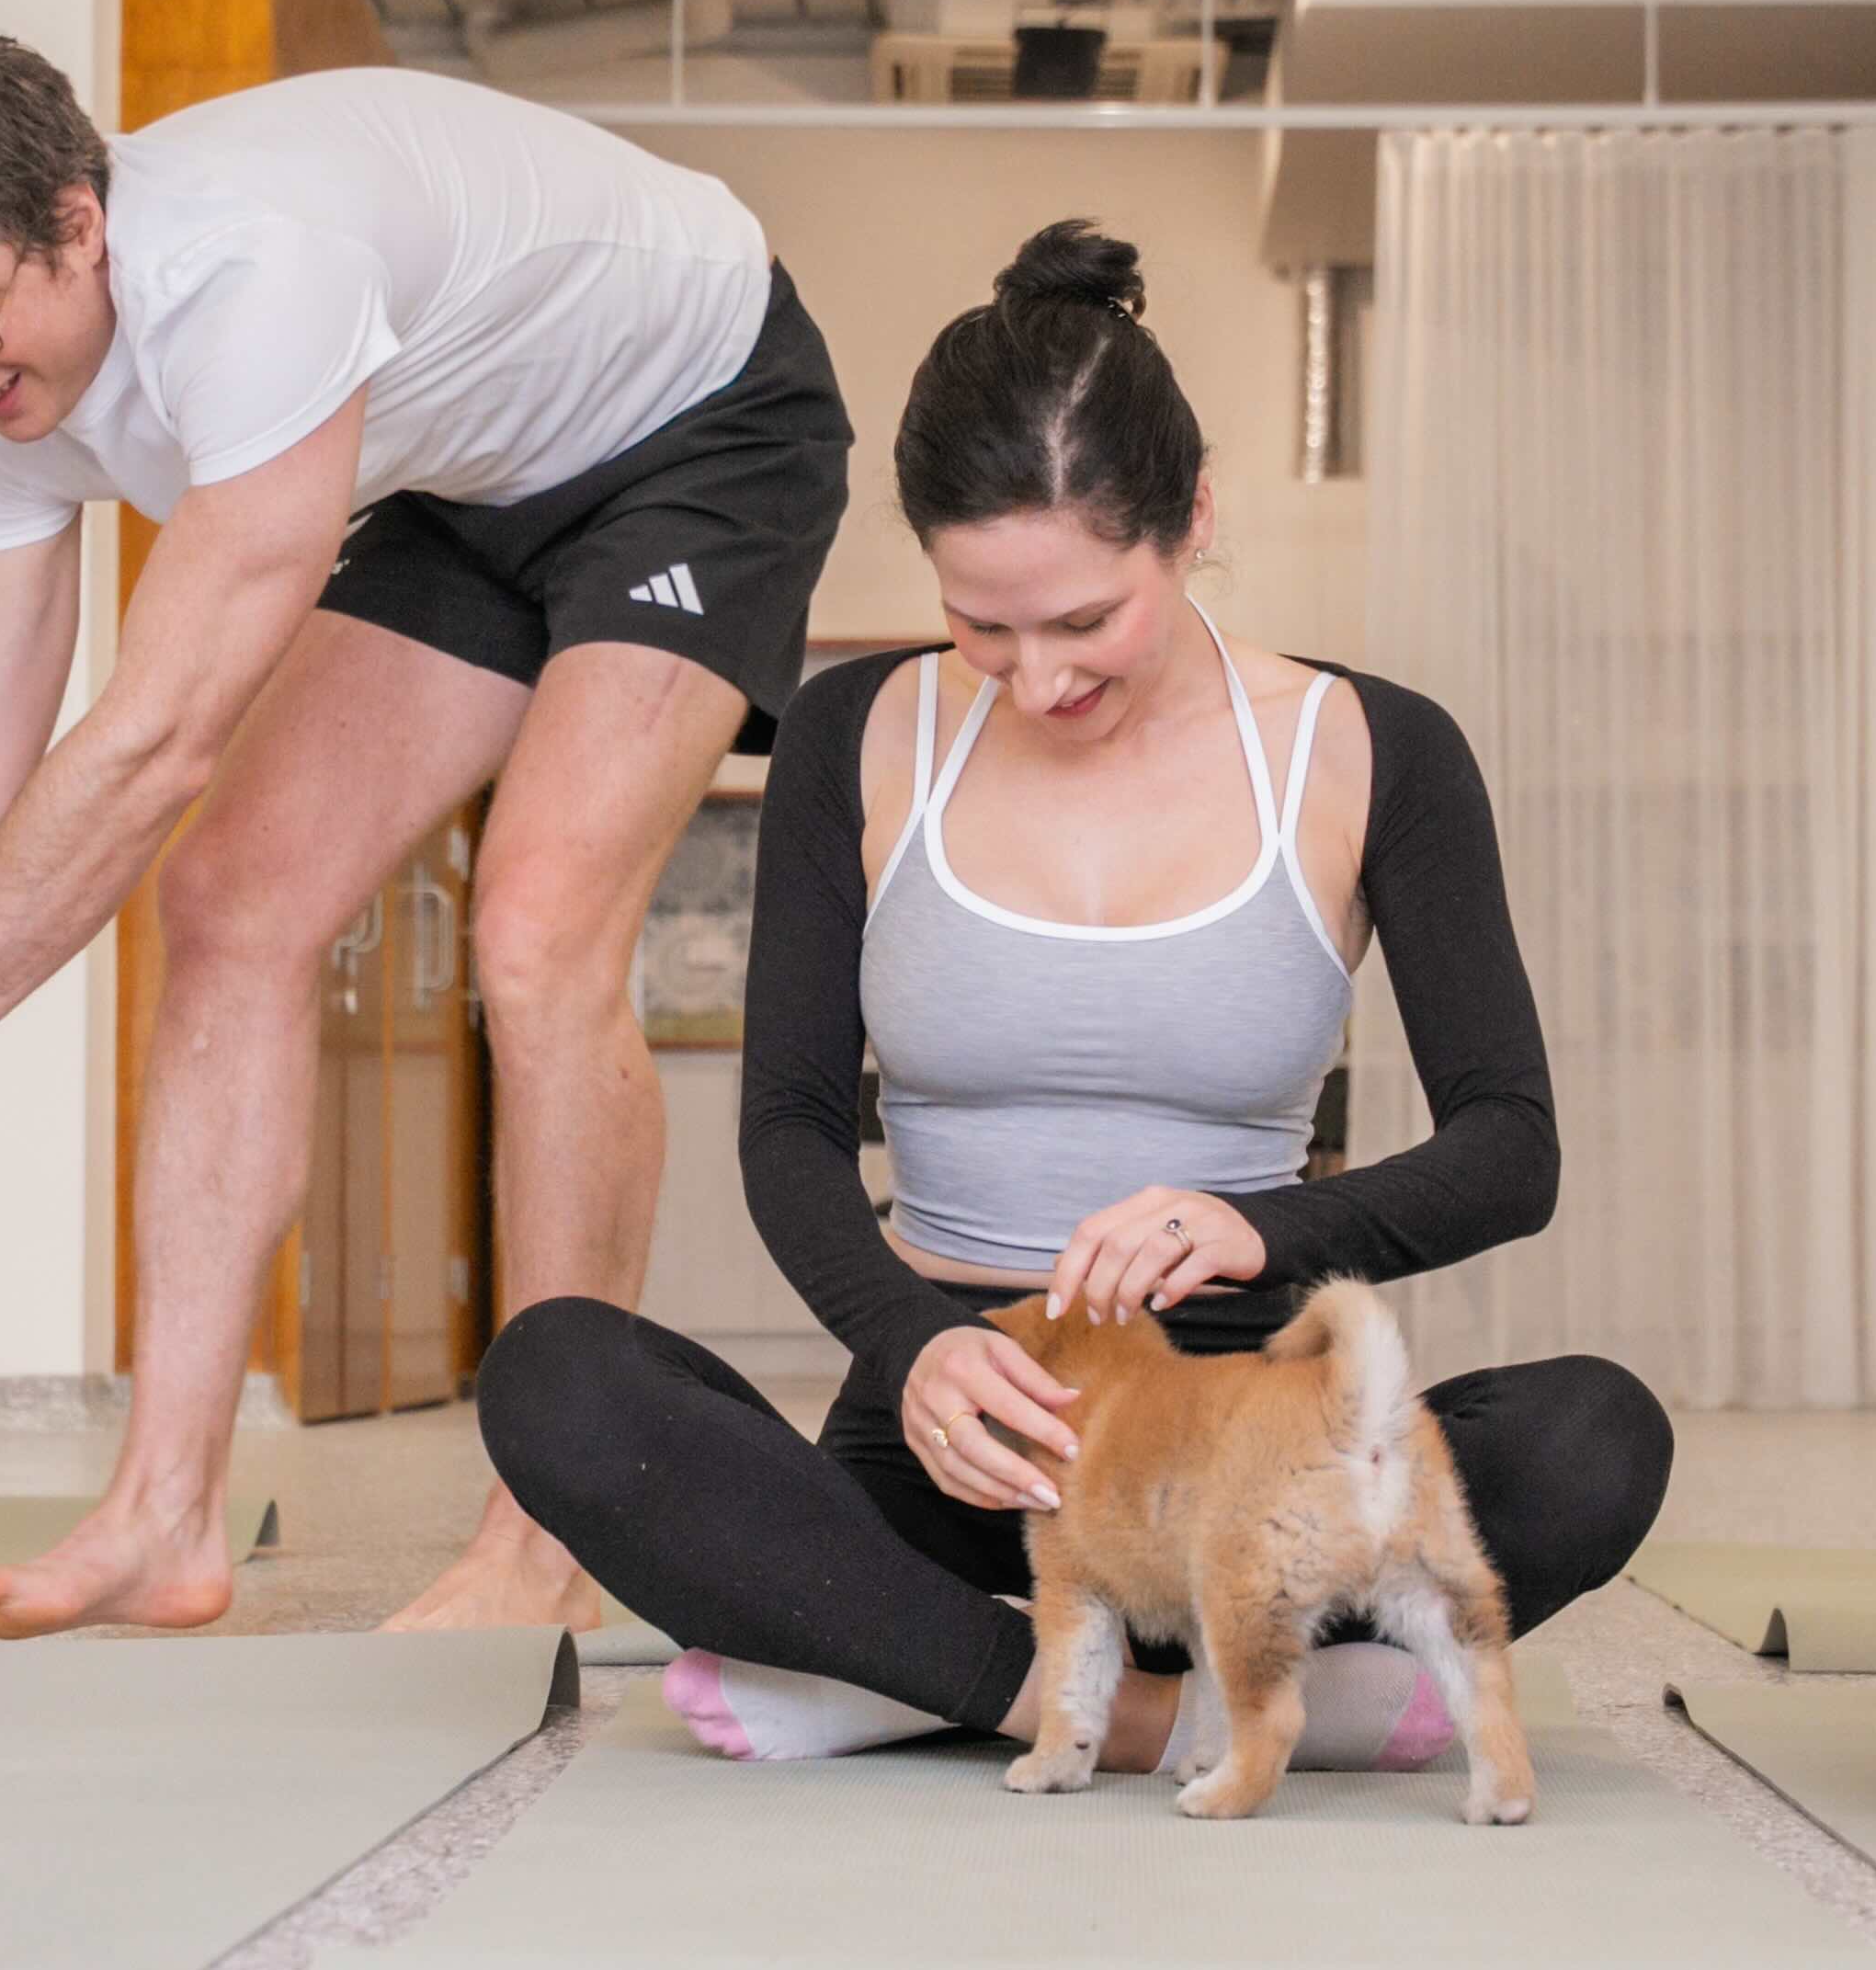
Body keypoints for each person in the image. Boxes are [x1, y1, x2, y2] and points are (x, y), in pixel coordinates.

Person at [0, 28, 852, 1637]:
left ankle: (548, 1540)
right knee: (231, 904)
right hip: (472, 474)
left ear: (82, 224)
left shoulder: (252, 274)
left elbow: (151, 745)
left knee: (535, 926)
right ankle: (163, 1514)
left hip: (700, 421)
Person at [479, 223, 1669, 1767]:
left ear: (1192, 518)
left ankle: (886, 1672)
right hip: (954, 1424)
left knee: (1597, 1434)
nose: (1035, 681)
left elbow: (1515, 1144)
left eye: (1084, 619)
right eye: (983, 625)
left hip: (1242, 1444)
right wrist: (909, 1343)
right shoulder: (852, 730)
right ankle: (1092, 1698)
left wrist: (1263, 1226)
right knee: (560, 1377)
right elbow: (784, 1132)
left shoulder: (1376, 749)